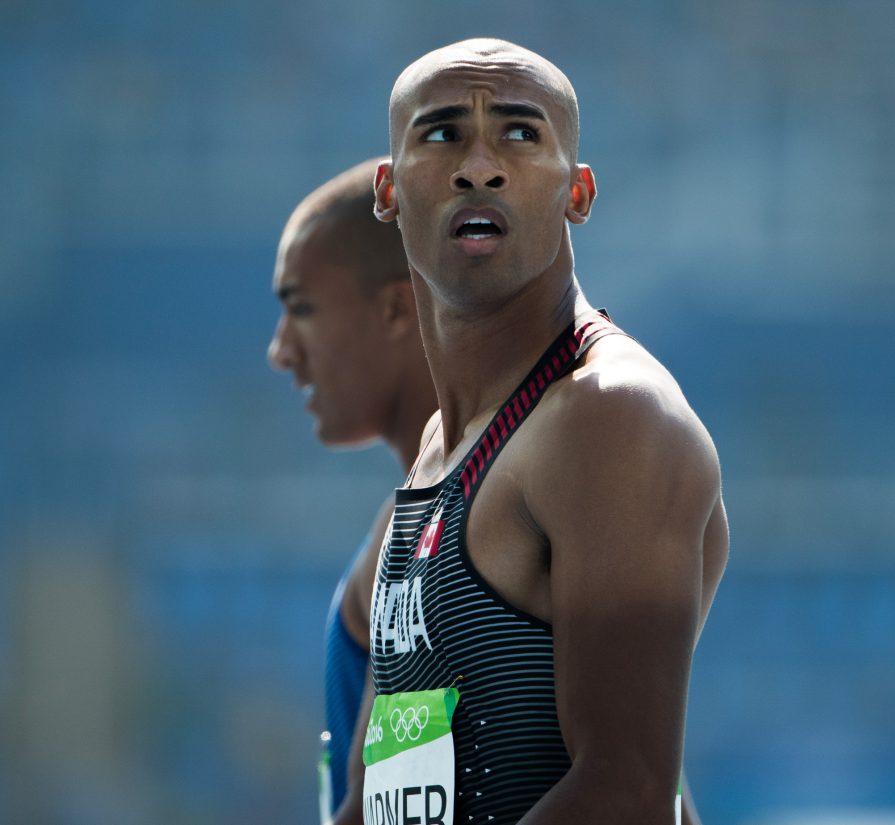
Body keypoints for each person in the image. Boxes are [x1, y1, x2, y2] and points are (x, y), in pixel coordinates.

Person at [362, 38, 727, 825]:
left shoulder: (612, 417)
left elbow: (626, 792)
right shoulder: (440, 448)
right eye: (443, 133)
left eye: (521, 135)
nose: (480, 166)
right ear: (388, 190)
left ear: (579, 194)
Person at [266, 158, 438, 825]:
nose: (281, 350)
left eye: (302, 308)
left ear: (396, 307)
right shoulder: (421, 517)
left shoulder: (446, 525)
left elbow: (386, 802)